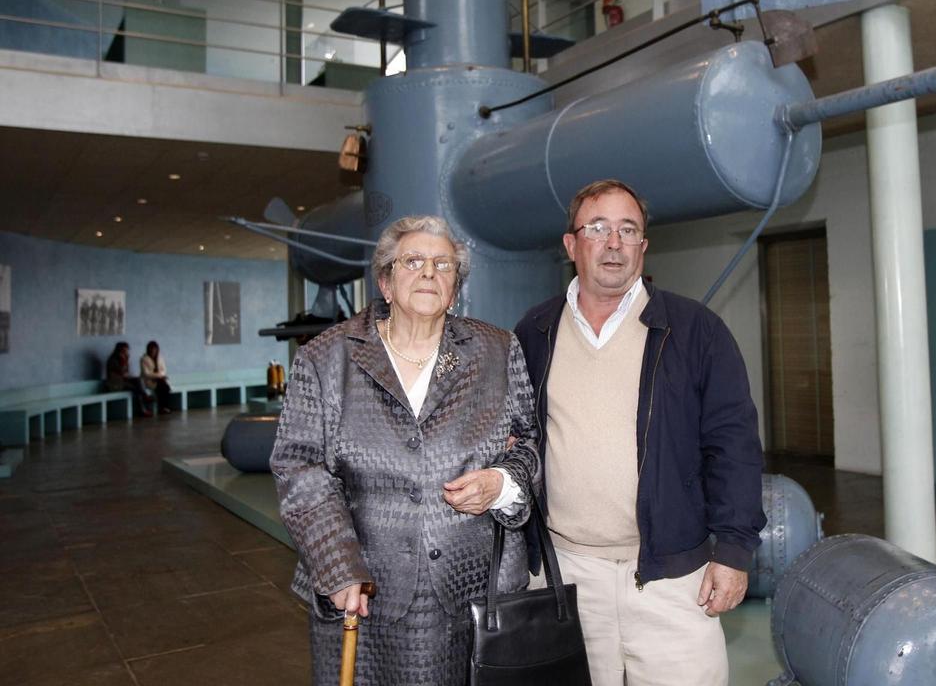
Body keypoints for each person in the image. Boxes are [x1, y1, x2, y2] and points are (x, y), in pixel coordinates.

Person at [514, 179, 766, 686]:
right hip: (565, 575)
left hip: (673, 579)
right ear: (571, 244)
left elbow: (734, 445)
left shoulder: (696, 331)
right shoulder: (534, 332)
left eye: (628, 229)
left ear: (643, 246)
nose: (614, 242)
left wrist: (734, 552)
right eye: (598, 228)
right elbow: (516, 439)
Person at [271, 215, 541, 686]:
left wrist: (501, 484)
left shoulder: (498, 350)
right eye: (413, 261)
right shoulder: (325, 357)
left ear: (455, 291)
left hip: (477, 592)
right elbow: (299, 466)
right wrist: (337, 565)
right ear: (386, 282)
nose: (429, 273)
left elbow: (530, 443)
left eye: (443, 265)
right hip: (363, 592)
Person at [105, 341, 151, 417]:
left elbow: (126, 373)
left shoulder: (123, 359)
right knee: (136, 388)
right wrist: (125, 361)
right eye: (124, 350)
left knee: (137, 380)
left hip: (122, 382)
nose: (126, 352)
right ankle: (142, 408)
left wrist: (125, 361)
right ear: (119, 350)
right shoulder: (113, 360)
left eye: (127, 350)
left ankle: (145, 398)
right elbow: (122, 372)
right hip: (114, 385)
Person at [139, 340, 171, 415]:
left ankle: (164, 407)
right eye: (152, 350)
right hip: (149, 380)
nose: (153, 351)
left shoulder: (160, 358)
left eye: (155, 350)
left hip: (160, 379)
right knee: (163, 386)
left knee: (165, 387)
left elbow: (164, 370)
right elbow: (146, 373)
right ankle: (163, 407)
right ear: (148, 350)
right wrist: (158, 376)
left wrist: (160, 376)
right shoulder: (144, 359)